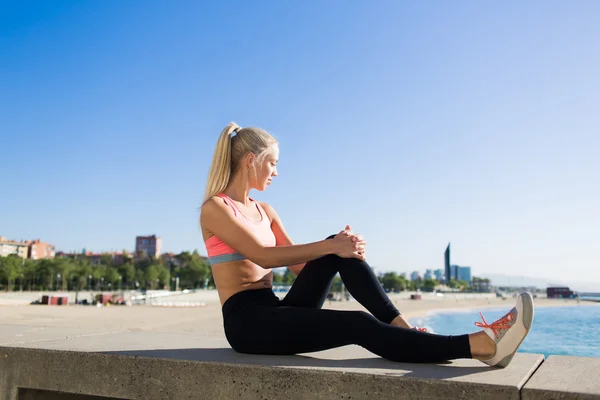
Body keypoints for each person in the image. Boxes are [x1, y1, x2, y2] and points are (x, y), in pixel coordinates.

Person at [200, 122, 534, 367]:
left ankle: (402, 326)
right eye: (272, 163)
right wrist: (331, 246)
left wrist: (341, 247)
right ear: (250, 161)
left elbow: (299, 267)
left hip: (276, 309)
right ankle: (479, 346)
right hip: (248, 324)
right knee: (356, 323)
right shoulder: (215, 209)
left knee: (336, 245)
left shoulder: (265, 211)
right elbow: (262, 256)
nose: (276, 172)